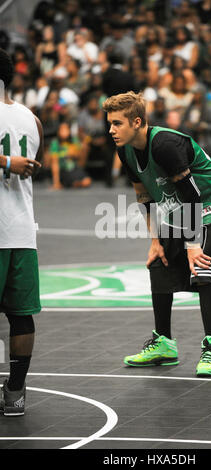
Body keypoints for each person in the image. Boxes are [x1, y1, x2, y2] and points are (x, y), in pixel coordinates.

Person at [103, 91, 211, 377]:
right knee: (158, 261)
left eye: (117, 124)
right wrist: (154, 240)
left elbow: (193, 196)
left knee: (202, 268)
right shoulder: (124, 149)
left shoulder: (164, 144)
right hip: (179, 202)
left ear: (137, 122)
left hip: (210, 199)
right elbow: (143, 193)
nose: (110, 130)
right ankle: (164, 344)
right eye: (109, 123)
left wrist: (192, 244)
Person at [0, 48, 43, 416]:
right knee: (20, 316)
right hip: (22, 230)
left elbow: (16, 164)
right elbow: (33, 163)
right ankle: (15, 392)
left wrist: (4, 162)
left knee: (21, 315)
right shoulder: (31, 118)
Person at [48, 121, 92, 190]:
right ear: (58, 131)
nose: (64, 132)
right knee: (76, 181)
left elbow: (80, 159)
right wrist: (56, 182)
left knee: (87, 181)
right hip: (63, 170)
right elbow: (54, 162)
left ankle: (75, 183)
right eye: (62, 130)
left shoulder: (74, 141)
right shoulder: (55, 143)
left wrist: (78, 151)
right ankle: (68, 183)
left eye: (66, 129)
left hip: (74, 169)